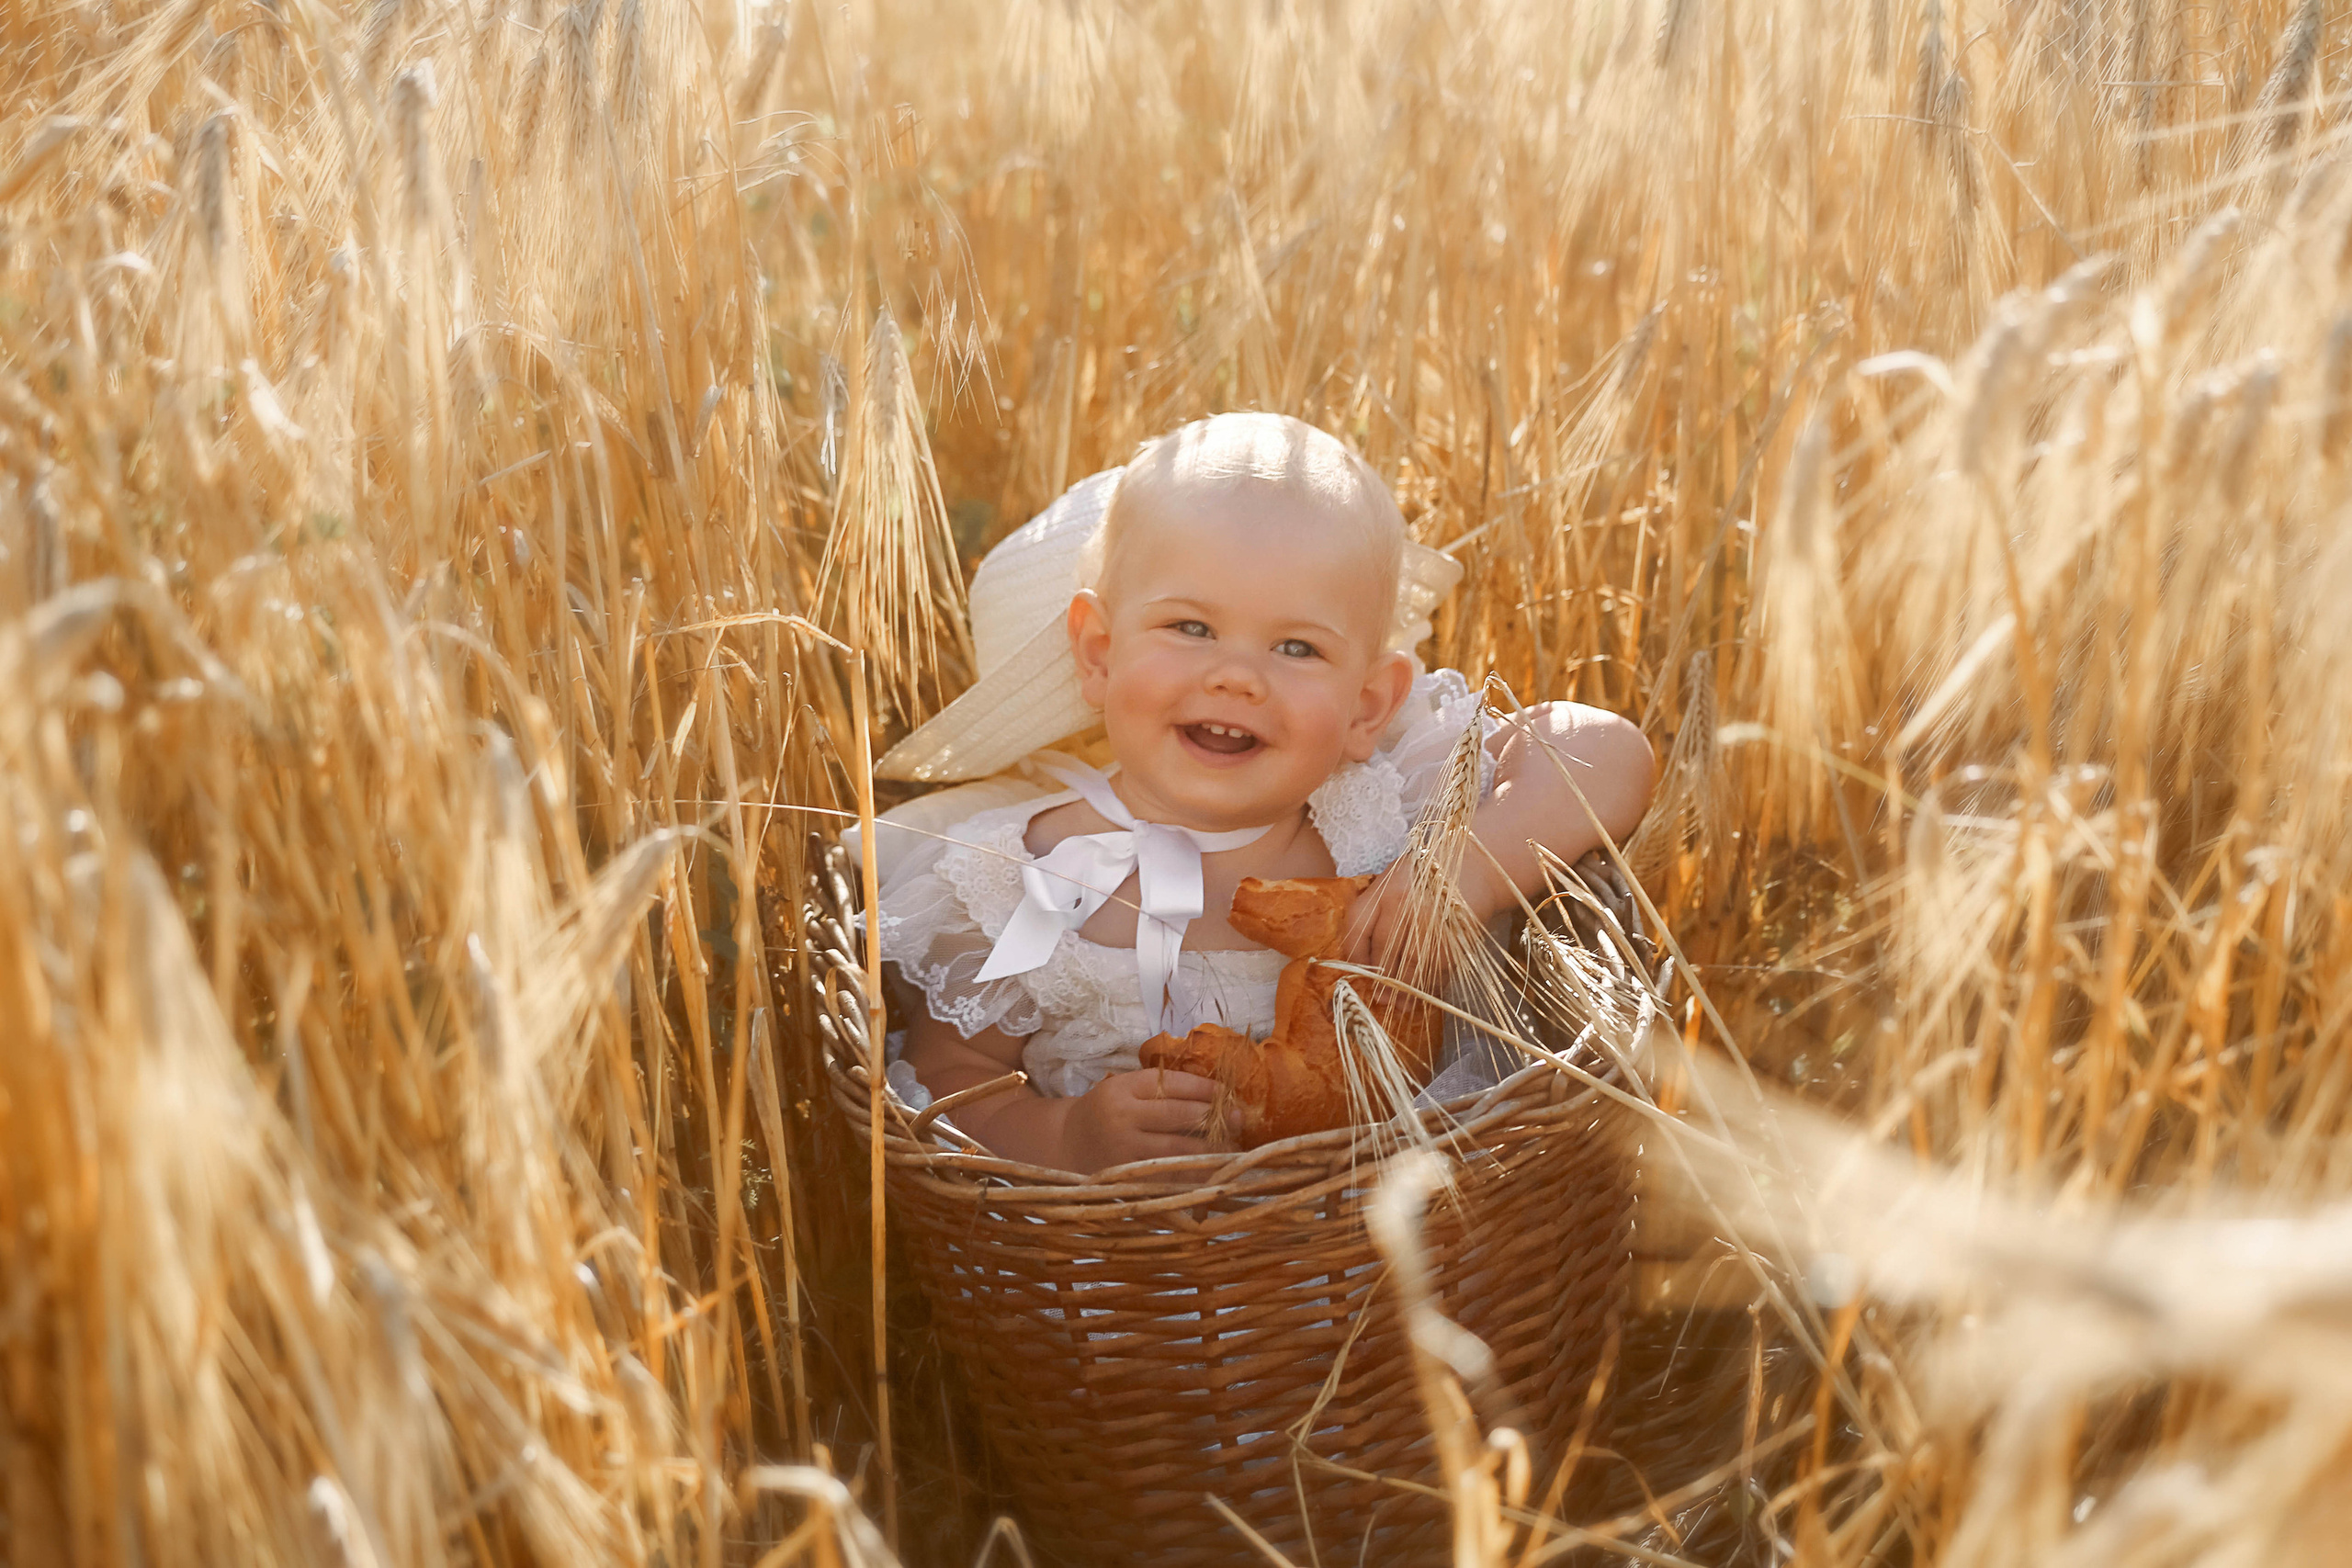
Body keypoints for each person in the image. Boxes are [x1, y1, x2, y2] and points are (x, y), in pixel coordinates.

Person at [864, 412, 1654, 1174]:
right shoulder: (1038, 884)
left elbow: (1607, 750)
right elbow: (944, 1088)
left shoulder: (1380, 802)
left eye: (1296, 646)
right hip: (1136, 1283)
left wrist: (1462, 873)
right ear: (1100, 653)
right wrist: (1068, 1136)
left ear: (1367, 705)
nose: (1238, 675)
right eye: (1191, 628)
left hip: (1396, 1256)